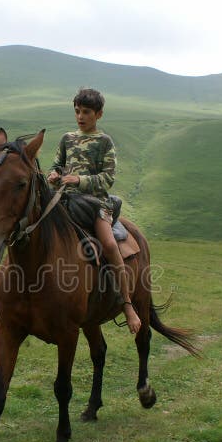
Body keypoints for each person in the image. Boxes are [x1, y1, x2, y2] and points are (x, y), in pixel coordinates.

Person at [47, 88, 141, 333]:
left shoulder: (104, 141)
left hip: (96, 203)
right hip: (65, 200)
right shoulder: (67, 139)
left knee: (109, 245)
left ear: (98, 114)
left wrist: (79, 180)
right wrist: (54, 175)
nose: (80, 116)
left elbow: (107, 179)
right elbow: (56, 165)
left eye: (86, 112)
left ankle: (128, 305)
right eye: (77, 111)